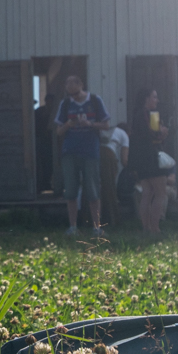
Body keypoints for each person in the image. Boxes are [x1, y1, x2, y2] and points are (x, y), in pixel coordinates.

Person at [56, 75, 112, 236]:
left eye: (76, 93)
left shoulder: (95, 100)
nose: (73, 97)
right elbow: (58, 131)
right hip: (70, 152)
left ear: (81, 86)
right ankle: (73, 227)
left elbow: (106, 124)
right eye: (70, 94)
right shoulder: (65, 104)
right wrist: (68, 124)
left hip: (90, 151)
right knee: (71, 190)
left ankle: (97, 227)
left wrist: (90, 124)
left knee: (93, 189)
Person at [127, 87, 171, 235]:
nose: (157, 100)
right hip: (152, 157)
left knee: (147, 193)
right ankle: (155, 228)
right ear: (146, 99)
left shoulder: (136, 115)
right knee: (160, 193)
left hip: (140, 159)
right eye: (154, 97)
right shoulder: (151, 114)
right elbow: (154, 135)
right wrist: (163, 132)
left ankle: (146, 228)